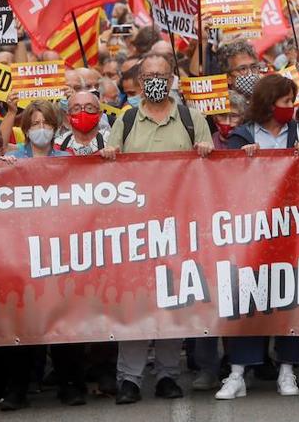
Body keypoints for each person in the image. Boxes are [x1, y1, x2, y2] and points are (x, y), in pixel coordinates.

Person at [103, 53, 212, 404]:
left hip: (180, 226)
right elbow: (108, 166)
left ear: (171, 80)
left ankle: (167, 375)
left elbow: (210, 169)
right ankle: (130, 379)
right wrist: (109, 156)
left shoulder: (191, 119)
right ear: (138, 80)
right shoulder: (128, 118)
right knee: (134, 303)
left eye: (161, 75)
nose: (155, 81)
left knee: (172, 301)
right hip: (134, 228)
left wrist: (206, 152)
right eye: (148, 75)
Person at [213, 74, 299, 399]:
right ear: (269, 103)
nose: (290, 108)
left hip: (291, 231)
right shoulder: (243, 134)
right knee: (247, 299)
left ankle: (288, 370)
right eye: (285, 102)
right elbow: (226, 180)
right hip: (251, 233)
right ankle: (238, 372)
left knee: (290, 299)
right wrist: (241, 159)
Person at [55, 89, 108, 155]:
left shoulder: (111, 141)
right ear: (68, 117)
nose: (83, 112)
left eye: (89, 108)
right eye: (76, 109)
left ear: (99, 115)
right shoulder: (58, 145)